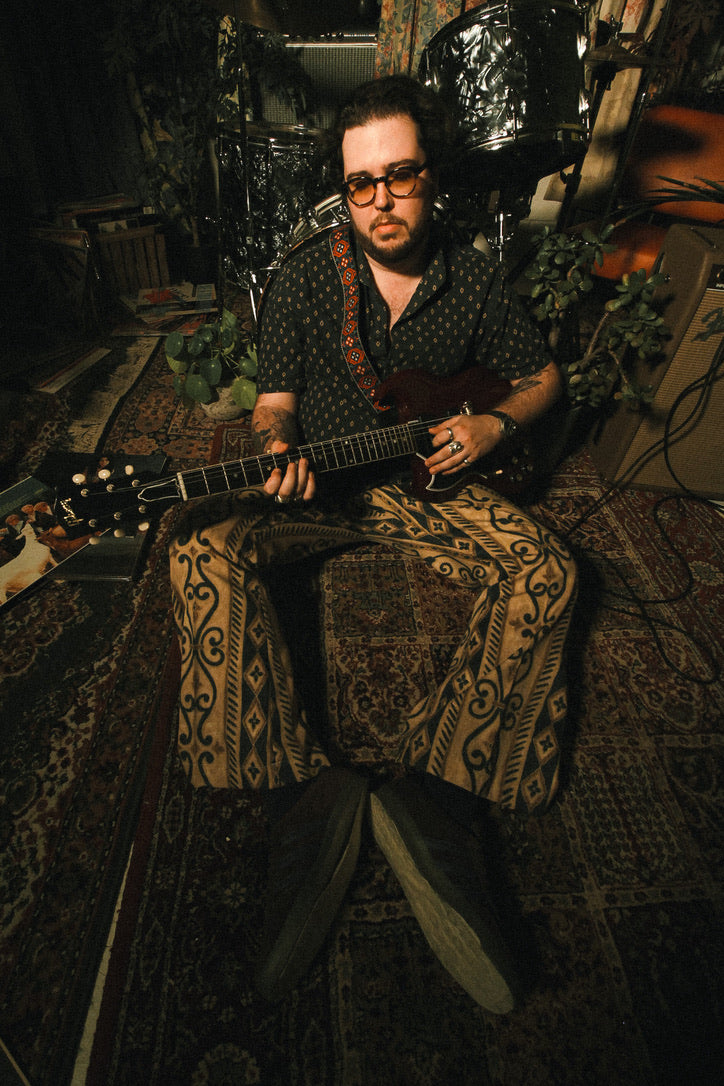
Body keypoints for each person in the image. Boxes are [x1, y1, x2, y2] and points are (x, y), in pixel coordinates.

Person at [169, 74, 577, 1013]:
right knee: (200, 548)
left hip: (434, 484)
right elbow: (276, 399)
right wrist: (277, 448)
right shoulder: (307, 274)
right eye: (361, 184)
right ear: (342, 190)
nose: (381, 200)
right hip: (329, 487)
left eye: (400, 176)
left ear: (431, 177)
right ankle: (298, 805)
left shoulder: (473, 274)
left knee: (551, 571)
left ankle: (440, 800)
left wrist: (496, 428)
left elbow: (544, 374)